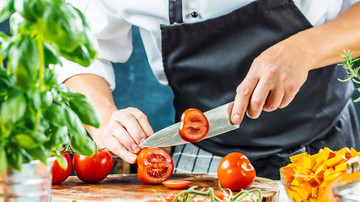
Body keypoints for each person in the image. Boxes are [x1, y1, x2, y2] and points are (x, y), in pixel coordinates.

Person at [58, 0, 360, 179]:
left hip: (323, 152)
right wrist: (103, 119)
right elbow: (73, 49)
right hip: (202, 163)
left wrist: (304, 50)